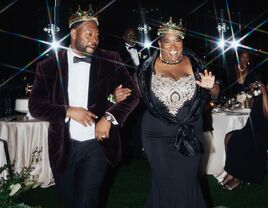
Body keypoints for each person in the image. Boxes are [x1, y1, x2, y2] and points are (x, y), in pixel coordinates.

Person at [28, 5, 139, 208]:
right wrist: (68, 111)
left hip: (96, 145)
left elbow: (133, 95)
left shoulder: (110, 59)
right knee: (68, 200)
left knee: (85, 202)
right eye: (89, 34)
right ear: (73, 33)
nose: (94, 40)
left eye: (97, 35)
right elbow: (35, 106)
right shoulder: (48, 66)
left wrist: (108, 118)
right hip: (63, 146)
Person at [115, 17, 217, 208]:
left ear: (182, 41)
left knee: (187, 182)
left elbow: (215, 91)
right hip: (156, 136)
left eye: (177, 40)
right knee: (166, 183)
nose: (173, 46)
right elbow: (131, 95)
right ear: (159, 43)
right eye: (167, 41)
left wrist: (211, 88)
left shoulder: (195, 62)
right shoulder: (146, 68)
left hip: (190, 133)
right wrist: (114, 99)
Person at [220, 80, 268, 191]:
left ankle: (238, 178)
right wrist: (251, 92)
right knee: (229, 136)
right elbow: (249, 105)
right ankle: (231, 172)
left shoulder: (265, 91)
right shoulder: (263, 90)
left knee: (236, 141)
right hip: (252, 126)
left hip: (262, 130)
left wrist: (264, 93)